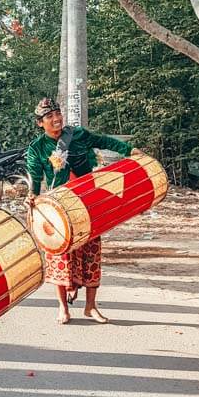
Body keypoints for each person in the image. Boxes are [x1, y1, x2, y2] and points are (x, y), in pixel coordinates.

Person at [24, 98, 137, 325]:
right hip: (59, 205)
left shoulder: (78, 135)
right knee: (60, 254)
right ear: (40, 123)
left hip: (88, 201)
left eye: (58, 114)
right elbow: (34, 178)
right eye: (49, 117)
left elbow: (103, 141)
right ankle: (62, 307)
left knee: (91, 251)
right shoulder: (36, 148)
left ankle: (90, 306)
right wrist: (32, 196)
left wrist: (130, 150)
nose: (56, 119)